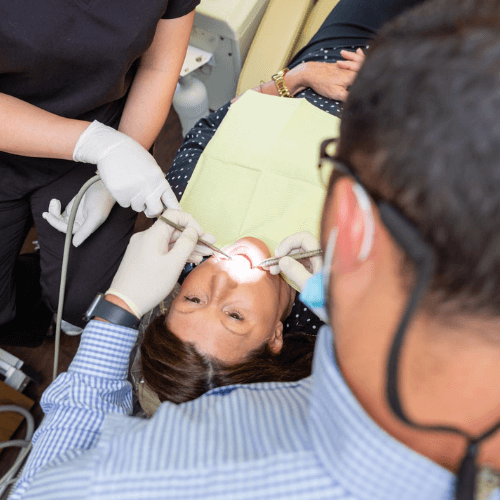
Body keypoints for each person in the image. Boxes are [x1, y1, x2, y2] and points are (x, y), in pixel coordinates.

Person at [9, 0, 500, 498]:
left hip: (336, 62)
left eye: (192, 300)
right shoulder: (370, 301)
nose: (219, 281)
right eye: (235, 316)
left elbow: (213, 129)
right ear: (276, 339)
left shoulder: (187, 231)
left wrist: (300, 77)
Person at [0, 1, 199, 347]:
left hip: (100, 132)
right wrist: (96, 145)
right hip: (17, 135)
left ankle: (49, 288)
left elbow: (159, 66)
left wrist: (119, 158)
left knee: (80, 306)